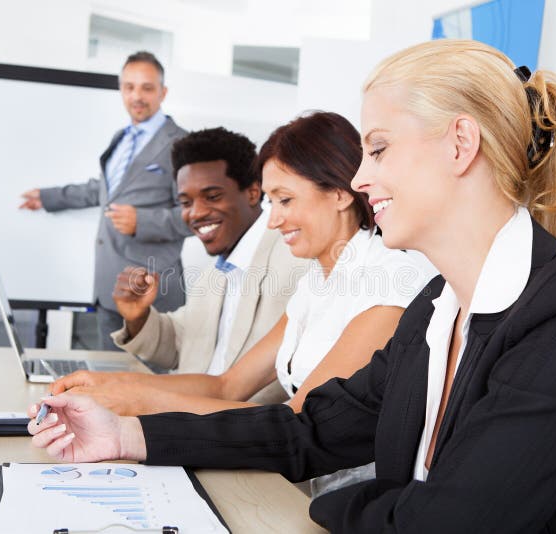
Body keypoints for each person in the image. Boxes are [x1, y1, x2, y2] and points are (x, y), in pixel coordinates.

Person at [29, 40, 556, 533]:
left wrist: (331, 509)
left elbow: (446, 523)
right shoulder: (435, 313)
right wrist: (128, 437)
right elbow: (309, 431)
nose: (360, 179)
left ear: (461, 143)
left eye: (378, 150)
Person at [49, 112, 430, 423]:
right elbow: (228, 386)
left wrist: (139, 403)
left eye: (285, 200)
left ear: (340, 193)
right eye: (271, 202)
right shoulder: (318, 282)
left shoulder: (386, 283)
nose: (274, 220)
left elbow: (301, 419)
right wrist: (111, 385)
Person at [65, 126, 308, 401]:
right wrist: (138, 316)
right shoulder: (215, 272)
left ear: (253, 193)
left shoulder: (297, 261)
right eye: (185, 202)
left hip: (234, 430)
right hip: (188, 418)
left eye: (212, 196)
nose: (196, 213)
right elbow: (183, 344)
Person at [19, 51, 190, 350]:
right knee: (108, 383)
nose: (137, 96)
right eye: (129, 87)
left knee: (151, 389)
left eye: (147, 88)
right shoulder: (121, 138)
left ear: (163, 92)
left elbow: (196, 214)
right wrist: (49, 198)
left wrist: (143, 221)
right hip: (110, 287)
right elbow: (104, 189)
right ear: (121, 89)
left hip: (152, 292)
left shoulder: (182, 144)